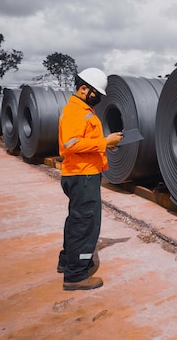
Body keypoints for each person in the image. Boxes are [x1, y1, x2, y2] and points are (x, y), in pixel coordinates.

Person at [57, 67, 123, 291]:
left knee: (76, 219)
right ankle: (76, 275)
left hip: (81, 173)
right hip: (82, 175)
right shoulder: (76, 111)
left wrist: (106, 146)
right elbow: (71, 144)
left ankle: (67, 261)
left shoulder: (82, 109)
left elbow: (86, 142)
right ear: (84, 88)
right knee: (85, 224)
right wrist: (105, 142)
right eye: (96, 93)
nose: (98, 98)